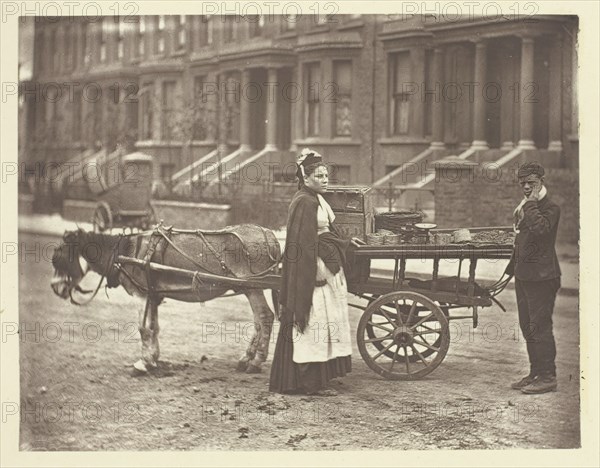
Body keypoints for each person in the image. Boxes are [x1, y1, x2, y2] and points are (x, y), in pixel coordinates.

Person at [269, 148, 363, 395]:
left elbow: (325, 232)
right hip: (313, 274)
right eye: (319, 176)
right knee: (314, 323)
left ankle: (323, 376)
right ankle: (309, 382)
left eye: (325, 175)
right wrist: (312, 276)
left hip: (324, 266)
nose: (325, 179)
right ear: (306, 177)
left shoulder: (316, 199)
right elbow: (302, 248)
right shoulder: (304, 203)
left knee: (327, 321)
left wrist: (343, 245)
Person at [505, 162, 561, 394]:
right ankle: (535, 372)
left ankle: (548, 377)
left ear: (541, 182)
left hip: (543, 277)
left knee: (540, 327)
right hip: (525, 275)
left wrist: (530, 204)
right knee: (527, 327)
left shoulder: (550, 207)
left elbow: (540, 231)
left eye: (532, 183)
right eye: (523, 184)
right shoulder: (526, 206)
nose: (527, 187)